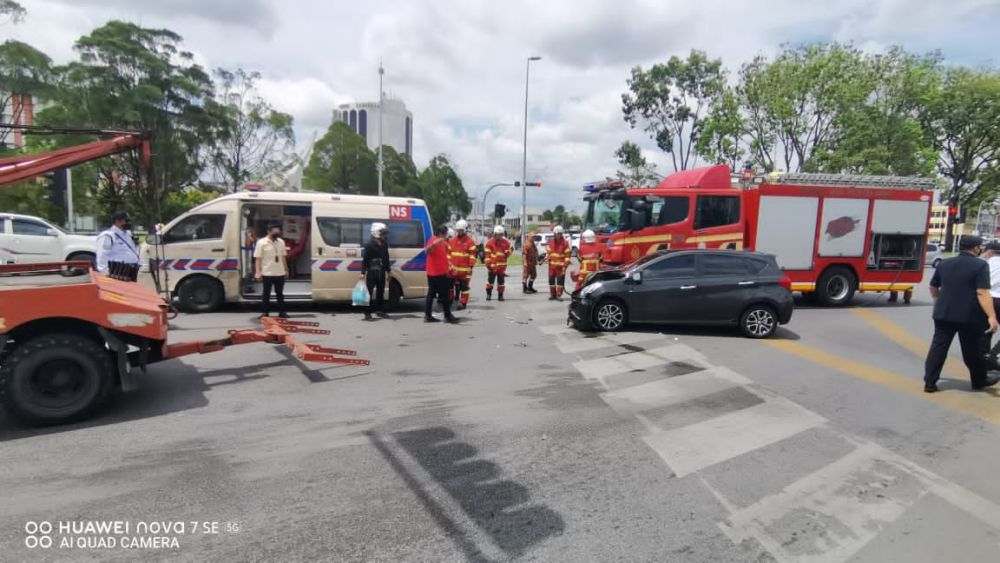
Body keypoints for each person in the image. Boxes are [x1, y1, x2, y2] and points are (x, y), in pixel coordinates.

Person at [923, 235, 999, 393]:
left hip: (943, 313)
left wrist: (938, 301)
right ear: (975, 248)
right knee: (972, 350)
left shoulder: (945, 263)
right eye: (980, 247)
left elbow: (933, 286)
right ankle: (979, 380)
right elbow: (982, 292)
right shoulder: (980, 265)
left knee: (938, 348)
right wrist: (991, 316)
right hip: (968, 316)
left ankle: (930, 383)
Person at [253, 223, 288, 318]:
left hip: (280, 272)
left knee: (280, 293)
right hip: (267, 272)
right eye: (275, 231)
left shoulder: (281, 242)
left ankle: (282, 312)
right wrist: (258, 272)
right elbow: (258, 258)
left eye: (278, 231)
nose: (277, 233)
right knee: (266, 293)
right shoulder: (261, 242)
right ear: (268, 231)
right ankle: (265, 312)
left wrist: (286, 269)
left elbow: (283, 257)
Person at [425, 224, 458, 323]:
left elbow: (444, 257)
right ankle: (446, 316)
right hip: (435, 273)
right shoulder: (433, 239)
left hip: (441, 272)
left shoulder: (443, 242)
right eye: (445, 234)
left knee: (439, 295)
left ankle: (431, 316)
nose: (446, 236)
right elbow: (427, 251)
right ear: (440, 233)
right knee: (441, 295)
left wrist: (450, 268)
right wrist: (435, 243)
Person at [96, 211, 142, 281]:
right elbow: (102, 256)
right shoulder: (108, 235)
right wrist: (105, 273)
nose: (128, 223)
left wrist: (140, 263)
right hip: (117, 272)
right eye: (126, 221)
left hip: (132, 270)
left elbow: (133, 250)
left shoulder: (128, 234)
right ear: (117, 221)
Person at [361, 222, 392, 320]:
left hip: (381, 272)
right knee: (369, 292)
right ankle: (367, 313)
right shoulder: (369, 245)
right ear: (376, 233)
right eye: (383, 233)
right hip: (372, 272)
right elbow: (365, 260)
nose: (385, 236)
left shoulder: (384, 244)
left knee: (380, 292)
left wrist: (389, 271)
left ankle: (380, 311)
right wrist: (362, 273)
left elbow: (386, 258)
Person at [448, 219, 477, 310]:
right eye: (458, 230)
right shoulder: (452, 241)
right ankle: (449, 301)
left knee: (464, 287)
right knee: (450, 287)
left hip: (465, 270)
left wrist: (471, 266)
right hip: (453, 270)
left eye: (461, 230)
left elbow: (473, 255)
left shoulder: (470, 242)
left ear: (465, 230)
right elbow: (448, 254)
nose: (459, 232)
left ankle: (463, 303)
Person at [484, 225, 513, 301]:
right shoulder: (490, 243)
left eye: (501, 234)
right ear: (495, 234)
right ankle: (488, 295)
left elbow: (511, 248)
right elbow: (487, 254)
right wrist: (488, 264)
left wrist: (507, 254)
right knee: (490, 282)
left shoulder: (505, 242)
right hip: (492, 267)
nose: (500, 236)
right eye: (498, 234)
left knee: (501, 283)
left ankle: (500, 296)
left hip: (501, 268)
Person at [546, 225, 572, 300]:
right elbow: (548, 252)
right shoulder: (551, 242)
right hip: (552, 267)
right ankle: (552, 295)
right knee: (551, 281)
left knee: (560, 282)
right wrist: (547, 257)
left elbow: (567, 256)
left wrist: (565, 266)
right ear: (554, 234)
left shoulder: (565, 243)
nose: (558, 235)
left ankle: (558, 295)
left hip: (561, 267)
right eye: (557, 234)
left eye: (560, 234)